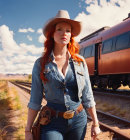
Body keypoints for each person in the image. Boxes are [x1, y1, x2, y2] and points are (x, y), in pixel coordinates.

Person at [25, 10, 101, 140]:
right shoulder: (41, 64)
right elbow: (35, 100)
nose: (64, 33)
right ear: (52, 34)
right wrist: (28, 130)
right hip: (52, 121)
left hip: (78, 120)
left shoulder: (80, 62)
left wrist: (95, 123)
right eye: (59, 29)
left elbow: (88, 95)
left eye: (68, 30)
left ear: (71, 35)